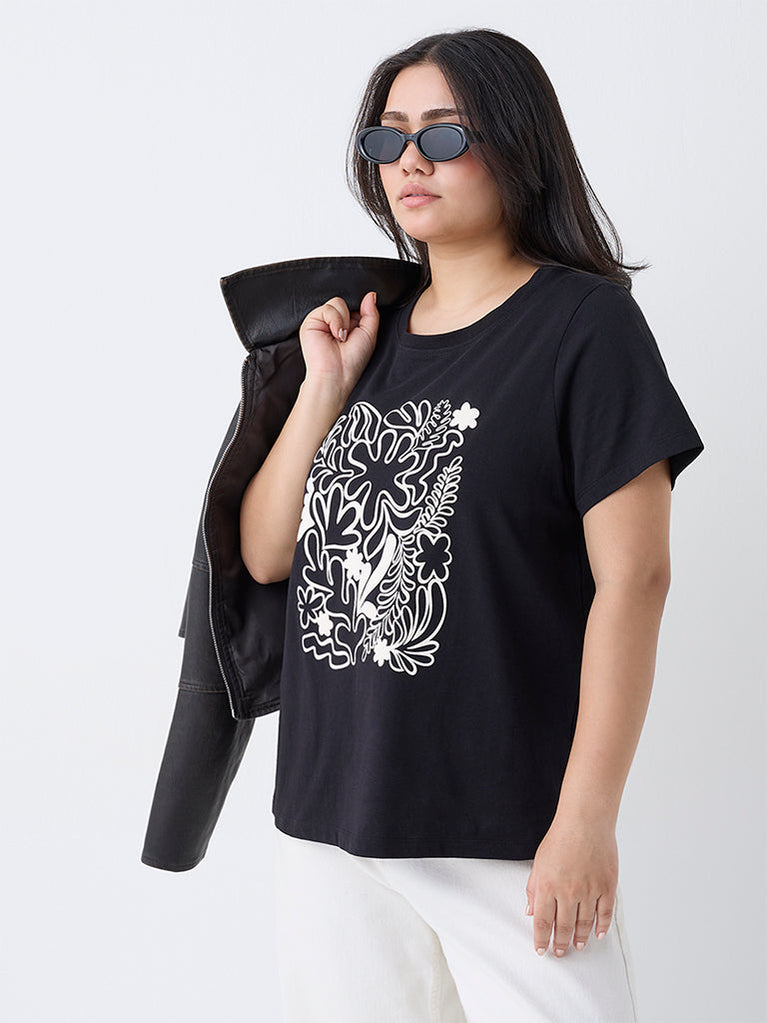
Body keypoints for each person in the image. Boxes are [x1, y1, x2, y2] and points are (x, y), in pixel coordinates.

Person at [239, 28, 704, 1023]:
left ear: (517, 145)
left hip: (503, 824)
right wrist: (323, 389)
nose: (409, 159)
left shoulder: (584, 326)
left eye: (444, 135)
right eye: (388, 137)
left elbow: (635, 580)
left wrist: (584, 820)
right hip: (330, 818)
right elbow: (267, 553)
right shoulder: (363, 334)